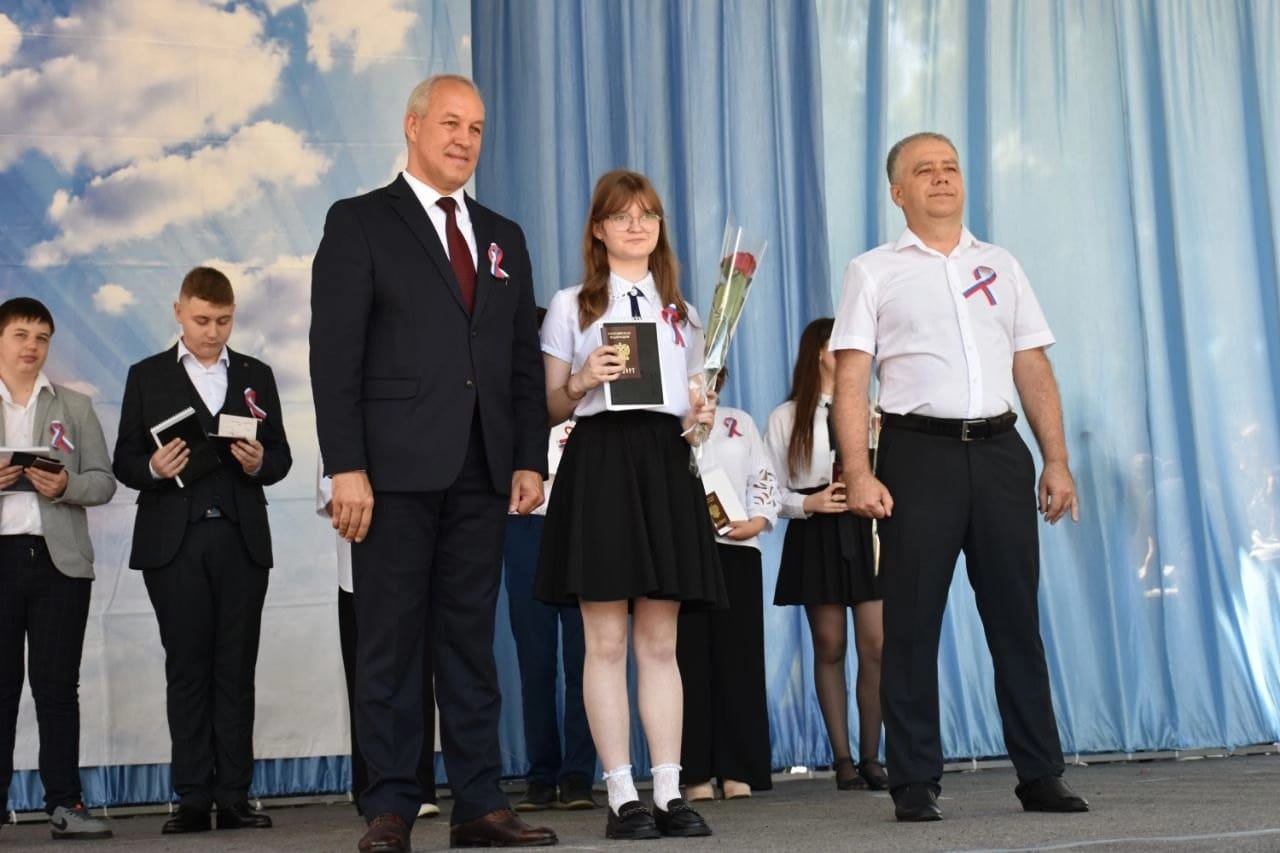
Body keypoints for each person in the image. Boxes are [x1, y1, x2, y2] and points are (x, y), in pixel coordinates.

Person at [310, 74, 554, 852]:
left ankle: (479, 802)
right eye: (450, 123)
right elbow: (334, 356)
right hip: (389, 475)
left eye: (476, 128)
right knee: (389, 641)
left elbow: (520, 359)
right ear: (412, 126)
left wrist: (529, 457)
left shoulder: (504, 235)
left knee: (471, 642)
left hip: (483, 471)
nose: (464, 139)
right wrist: (346, 466)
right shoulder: (358, 221)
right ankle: (390, 804)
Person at [831, 131, 1087, 822]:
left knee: (1016, 620)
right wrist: (858, 470)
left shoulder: (1000, 263)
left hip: (1001, 451)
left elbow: (1031, 363)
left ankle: (1041, 773)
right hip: (918, 456)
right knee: (912, 624)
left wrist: (1056, 458)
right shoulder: (873, 270)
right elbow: (852, 377)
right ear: (898, 192)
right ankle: (914, 780)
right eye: (925, 170)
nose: (942, 178)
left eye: (950, 167)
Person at [535, 169, 723, 841]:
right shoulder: (570, 306)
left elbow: (693, 405)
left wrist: (701, 416)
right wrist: (583, 379)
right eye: (621, 215)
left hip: (665, 464)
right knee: (607, 639)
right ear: (598, 229)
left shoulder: (685, 313)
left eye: (647, 214)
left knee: (660, 641)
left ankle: (669, 790)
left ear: (660, 226)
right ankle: (621, 795)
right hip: (601, 462)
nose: (636, 225)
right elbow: (550, 405)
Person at [113, 266, 292, 834]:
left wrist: (259, 462)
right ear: (178, 313)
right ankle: (192, 798)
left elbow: (281, 456)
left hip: (241, 539)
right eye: (202, 320)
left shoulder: (257, 375)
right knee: (187, 669)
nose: (213, 332)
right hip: (174, 544)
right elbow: (123, 461)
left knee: (235, 669)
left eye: (223, 321)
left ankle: (235, 796)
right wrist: (152, 466)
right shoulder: (146, 376)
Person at [0, 297, 116, 841]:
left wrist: (66, 484)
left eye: (42, 337)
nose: (32, 346)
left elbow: (103, 481)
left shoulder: (74, 406)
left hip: (58, 562)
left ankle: (65, 804)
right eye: (21, 334)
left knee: (57, 688)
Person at [764, 318, 886, 793]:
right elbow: (767, 491)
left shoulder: (873, 409)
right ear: (818, 351)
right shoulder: (786, 416)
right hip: (815, 531)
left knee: (876, 644)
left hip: (865, 528)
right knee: (830, 645)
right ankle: (843, 760)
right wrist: (807, 504)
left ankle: (873, 756)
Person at [315, 460, 440, 820]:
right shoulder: (341, 429)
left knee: (417, 671)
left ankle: (419, 785)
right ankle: (372, 785)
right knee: (369, 675)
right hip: (361, 563)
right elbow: (330, 496)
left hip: (414, 555)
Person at [676, 367, 779, 802]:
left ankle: (739, 767)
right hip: (685, 552)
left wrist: (757, 520)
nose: (707, 385)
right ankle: (694, 772)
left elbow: (764, 476)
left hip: (738, 549)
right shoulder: (670, 425)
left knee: (740, 659)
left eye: (713, 377)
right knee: (688, 659)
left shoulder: (741, 422)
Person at [505, 392, 598, 813]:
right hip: (525, 527)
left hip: (585, 526)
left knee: (587, 657)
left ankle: (578, 775)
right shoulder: (517, 404)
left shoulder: (595, 403)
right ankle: (540, 775)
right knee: (535, 660)